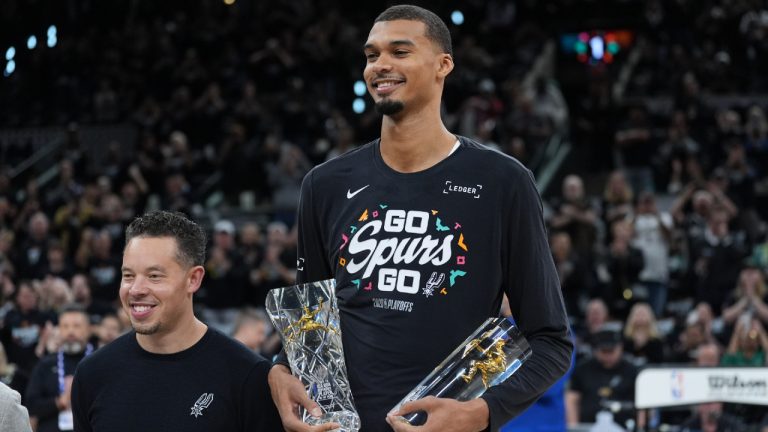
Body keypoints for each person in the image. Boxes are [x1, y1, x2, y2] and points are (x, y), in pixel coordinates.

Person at [268, 5, 572, 432]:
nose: (381, 66)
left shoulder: (503, 182)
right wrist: (281, 370)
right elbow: (310, 326)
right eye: (372, 55)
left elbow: (550, 342)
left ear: (443, 65)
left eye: (400, 51)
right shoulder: (325, 184)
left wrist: (482, 412)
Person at [71, 211, 281, 431]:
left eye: (154, 276)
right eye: (128, 275)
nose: (136, 289)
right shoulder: (92, 373)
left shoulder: (247, 375)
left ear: (193, 279)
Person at [25, 304, 93, 432]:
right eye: (65, 326)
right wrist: (58, 402)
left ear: (88, 329)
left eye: (76, 326)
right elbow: (31, 405)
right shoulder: (45, 364)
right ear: (59, 330)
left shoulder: (100, 361)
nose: (70, 331)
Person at [566, 328, 638, 428]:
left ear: (620, 348)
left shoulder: (631, 370)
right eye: (604, 351)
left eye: (611, 351)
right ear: (595, 350)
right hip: (588, 427)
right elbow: (571, 399)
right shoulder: (582, 369)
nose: (608, 355)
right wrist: (574, 427)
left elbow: (641, 404)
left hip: (624, 426)